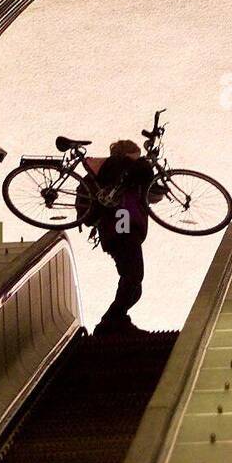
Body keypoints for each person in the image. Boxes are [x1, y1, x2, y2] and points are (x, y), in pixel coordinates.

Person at [92, 139, 156, 335]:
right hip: (122, 226)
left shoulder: (124, 173)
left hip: (121, 230)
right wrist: (145, 163)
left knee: (134, 283)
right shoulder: (119, 167)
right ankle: (110, 322)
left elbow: (151, 191)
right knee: (133, 276)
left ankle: (116, 320)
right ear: (129, 153)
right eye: (136, 152)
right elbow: (143, 173)